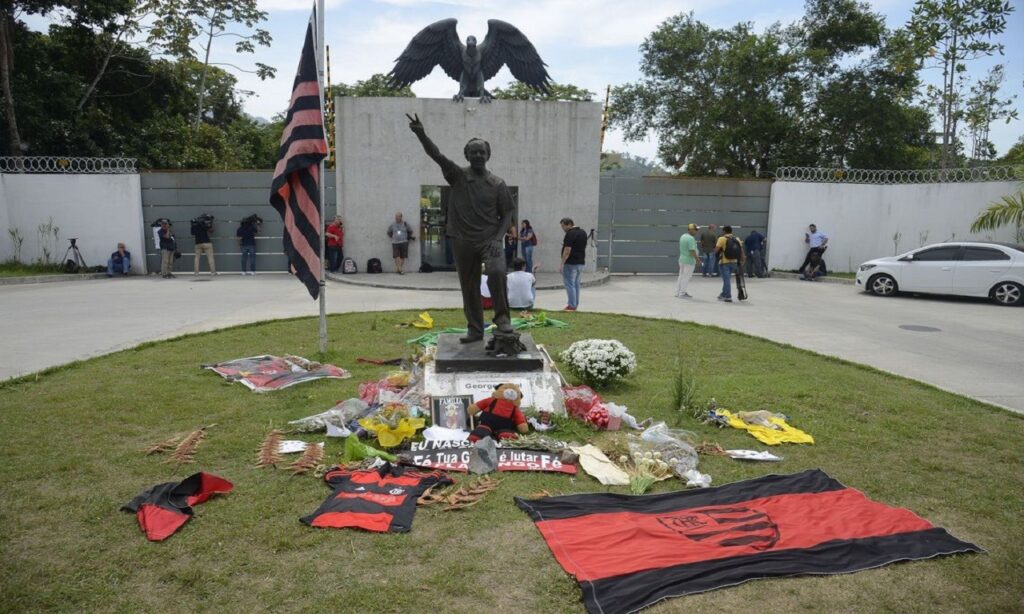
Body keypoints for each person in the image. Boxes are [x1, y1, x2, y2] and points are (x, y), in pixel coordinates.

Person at [407, 113, 515, 345]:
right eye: (473, 152)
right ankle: (475, 329)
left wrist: (498, 239)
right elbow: (437, 155)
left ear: (488, 155)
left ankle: (503, 320)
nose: (478, 155)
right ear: (466, 155)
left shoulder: (497, 184)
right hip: (462, 240)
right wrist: (421, 133)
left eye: (481, 152)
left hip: (489, 240)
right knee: (469, 286)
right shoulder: (457, 176)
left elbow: (507, 213)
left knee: (497, 273)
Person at [559, 217, 587, 311]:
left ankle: (571, 305)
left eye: (563, 226)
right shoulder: (583, 232)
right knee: (576, 284)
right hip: (581, 262)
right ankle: (575, 304)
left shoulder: (570, 234)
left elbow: (567, 250)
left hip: (571, 263)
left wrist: (562, 263)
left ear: (569, 224)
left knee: (569, 284)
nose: (563, 228)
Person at [715, 225, 745, 302]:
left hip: (725, 262)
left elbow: (716, 250)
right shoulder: (737, 239)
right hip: (734, 262)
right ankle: (723, 294)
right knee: (726, 279)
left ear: (724, 231)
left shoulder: (721, 239)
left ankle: (728, 296)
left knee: (726, 280)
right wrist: (742, 260)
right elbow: (741, 250)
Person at [676, 223, 700, 298]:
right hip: (689, 261)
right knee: (686, 277)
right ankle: (682, 293)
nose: (697, 231)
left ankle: (678, 292)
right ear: (691, 230)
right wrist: (698, 260)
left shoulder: (683, 236)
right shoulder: (691, 238)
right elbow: (692, 251)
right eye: (696, 230)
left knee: (681, 276)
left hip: (682, 259)